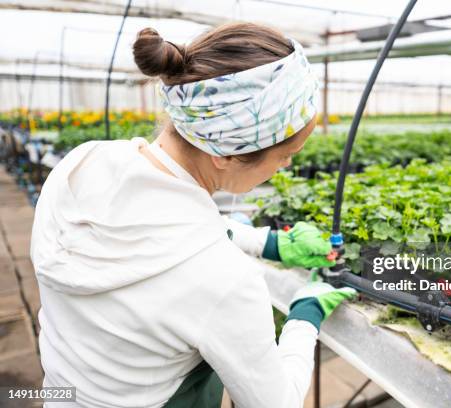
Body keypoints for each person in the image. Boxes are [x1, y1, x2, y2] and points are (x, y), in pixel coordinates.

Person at [31, 22, 356, 407]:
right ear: (228, 153)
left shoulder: (80, 166)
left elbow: (160, 225)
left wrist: (267, 242)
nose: (285, 166)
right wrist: (304, 317)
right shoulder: (225, 281)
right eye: (286, 155)